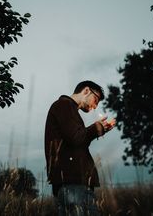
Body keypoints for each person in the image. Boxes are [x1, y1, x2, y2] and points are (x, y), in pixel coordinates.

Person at [44, 80, 116, 216]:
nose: (95, 106)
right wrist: (97, 128)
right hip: (72, 182)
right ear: (86, 91)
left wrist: (100, 129)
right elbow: (76, 138)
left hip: (74, 182)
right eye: (96, 99)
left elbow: (77, 141)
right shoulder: (63, 105)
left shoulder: (68, 108)